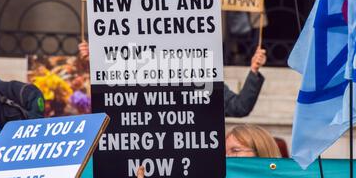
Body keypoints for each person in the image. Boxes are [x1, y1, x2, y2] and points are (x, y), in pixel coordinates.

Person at [78, 41, 266, 118]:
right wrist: (94, 62)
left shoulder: (202, 81)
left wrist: (254, 70)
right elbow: (114, 95)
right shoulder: (144, 78)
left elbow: (239, 107)